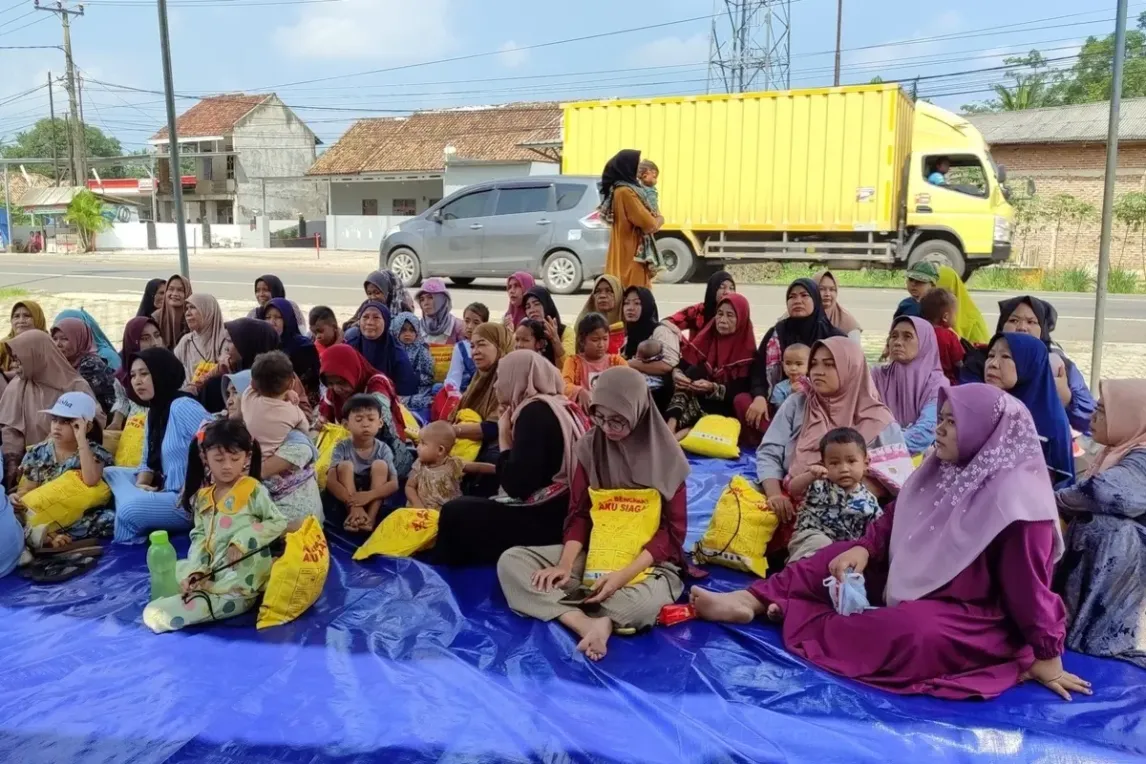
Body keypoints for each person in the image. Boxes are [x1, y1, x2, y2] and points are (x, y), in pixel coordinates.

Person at [694, 384, 1090, 702]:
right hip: (913, 574)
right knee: (835, 555)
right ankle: (753, 600)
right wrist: (864, 548)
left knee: (911, 632)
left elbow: (1029, 591)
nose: (940, 429)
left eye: (952, 422)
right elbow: (895, 519)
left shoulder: (1018, 506)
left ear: (985, 432)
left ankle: (799, 611)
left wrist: (1047, 657)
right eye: (943, 419)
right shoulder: (943, 467)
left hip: (972, 614)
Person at [497, 366, 689, 661]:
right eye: (600, 417)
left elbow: (672, 533)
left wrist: (621, 577)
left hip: (646, 564)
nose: (608, 428)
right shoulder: (590, 447)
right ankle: (586, 622)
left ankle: (596, 613)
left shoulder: (667, 458)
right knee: (512, 562)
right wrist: (564, 564)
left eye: (618, 421)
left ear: (638, 411)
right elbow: (581, 514)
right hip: (596, 553)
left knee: (637, 604)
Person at [430, 351, 589, 566]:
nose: (496, 385)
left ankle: (447, 572)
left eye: (500, 378)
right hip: (563, 511)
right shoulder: (558, 404)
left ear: (518, 378)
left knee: (454, 512)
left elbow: (517, 486)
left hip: (546, 521)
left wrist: (504, 436)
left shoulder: (533, 412)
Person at [757, 337, 911, 552]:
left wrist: (843, 493)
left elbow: (899, 479)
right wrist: (774, 494)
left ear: (851, 369)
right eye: (814, 364)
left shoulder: (878, 420)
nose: (818, 371)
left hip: (857, 518)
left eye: (829, 365)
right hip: (794, 506)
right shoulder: (798, 403)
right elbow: (769, 453)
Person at [142, 418, 288, 634]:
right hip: (211, 576)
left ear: (246, 458)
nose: (227, 466)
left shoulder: (253, 490)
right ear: (204, 458)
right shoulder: (202, 498)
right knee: (177, 569)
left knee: (155, 614)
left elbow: (278, 522)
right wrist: (197, 572)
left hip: (236, 589)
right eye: (219, 459)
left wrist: (243, 541)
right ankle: (194, 588)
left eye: (234, 458)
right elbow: (200, 538)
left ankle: (196, 599)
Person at [1054, 379, 1146, 669]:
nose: (1093, 418)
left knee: (1109, 528)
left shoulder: (1142, 458)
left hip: (1123, 561)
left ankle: (1095, 642)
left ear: (1129, 416)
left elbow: (1103, 493)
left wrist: (1049, 499)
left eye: (1103, 411)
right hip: (1097, 561)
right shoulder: (1115, 451)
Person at [105, 347, 208, 543]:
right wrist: (141, 485)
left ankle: (131, 524)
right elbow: (146, 462)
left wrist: (193, 484)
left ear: (162, 373)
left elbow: (216, 443)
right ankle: (138, 501)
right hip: (164, 488)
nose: (137, 381)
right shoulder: (154, 412)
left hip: (187, 500)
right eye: (133, 375)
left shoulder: (183, 406)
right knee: (111, 473)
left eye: (144, 374)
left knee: (128, 510)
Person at [11, 392, 113, 549]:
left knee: (109, 519)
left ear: (87, 426)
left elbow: (91, 480)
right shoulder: (37, 452)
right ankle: (43, 535)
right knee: (15, 516)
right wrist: (15, 499)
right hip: (42, 514)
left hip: (78, 516)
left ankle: (42, 537)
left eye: (66, 422)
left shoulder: (95, 452)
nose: (57, 426)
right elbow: (26, 492)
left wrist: (81, 440)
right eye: (54, 420)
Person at [0, 330, 99, 487]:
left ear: (37, 356)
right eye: (13, 360)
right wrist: (12, 463)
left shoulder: (75, 386)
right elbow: (9, 430)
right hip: (30, 467)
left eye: (19, 360)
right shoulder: (18, 385)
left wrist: (51, 444)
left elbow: (94, 424)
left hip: (71, 465)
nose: (14, 365)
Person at [747, 278, 846, 431]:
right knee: (742, 402)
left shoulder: (834, 337)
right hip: (778, 403)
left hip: (823, 404)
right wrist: (759, 396)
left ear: (815, 298)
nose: (797, 300)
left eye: (804, 295)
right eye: (792, 297)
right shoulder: (776, 333)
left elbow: (847, 379)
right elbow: (758, 372)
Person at [994, 295, 1096, 434]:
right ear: (1002, 325)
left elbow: (1091, 422)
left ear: (1043, 329)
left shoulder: (1059, 366)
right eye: (1013, 320)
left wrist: (1067, 399)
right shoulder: (984, 361)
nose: (1022, 328)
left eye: (1031, 322)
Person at [984, 332, 1075, 487]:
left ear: (1030, 364)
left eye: (1005, 357)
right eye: (991, 355)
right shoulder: (986, 406)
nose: (993, 363)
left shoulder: (1050, 423)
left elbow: (1046, 487)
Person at [785, 427, 882, 561]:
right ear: (823, 464)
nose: (844, 469)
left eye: (851, 461)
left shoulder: (869, 502)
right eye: (834, 463)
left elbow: (875, 533)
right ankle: (795, 576)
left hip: (843, 551)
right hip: (811, 536)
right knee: (819, 544)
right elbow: (793, 489)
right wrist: (810, 475)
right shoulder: (819, 483)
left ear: (865, 463)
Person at [317, 344, 413, 478]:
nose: (337, 388)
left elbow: (380, 419)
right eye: (331, 383)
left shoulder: (376, 383)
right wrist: (321, 424)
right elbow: (324, 416)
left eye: (342, 382)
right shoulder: (333, 392)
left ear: (353, 372)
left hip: (381, 442)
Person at [668, 293, 756, 437]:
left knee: (713, 405)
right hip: (697, 397)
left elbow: (742, 390)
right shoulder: (707, 338)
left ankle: (678, 436)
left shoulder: (748, 352)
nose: (722, 320)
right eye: (720, 314)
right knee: (689, 376)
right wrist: (677, 375)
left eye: (730, 315)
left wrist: (712, 388)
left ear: (741, 319)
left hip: (723, 406)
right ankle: (670, 428)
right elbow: (682, 365)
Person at [871, 317, 949, 456]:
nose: (898, 342)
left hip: (919, 461)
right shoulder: (876, 376)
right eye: (894, 336)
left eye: (907, 337)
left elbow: (927, 431)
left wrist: (880, 449)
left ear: (925, 342)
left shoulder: (937, 383)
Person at [327, 393, 399, 532]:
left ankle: (370, 518)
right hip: (348, 495)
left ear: (380, 423)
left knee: (380, 465)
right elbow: (331, 481)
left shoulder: (383, 449)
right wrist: (355, 504)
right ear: (346, 425)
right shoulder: (341, 446)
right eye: (359, 419)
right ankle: (354, 516)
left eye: (371, 419)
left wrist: (369, 496)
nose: (365, 424)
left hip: (372, 494)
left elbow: (394, 484)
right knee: (345, 466)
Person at [449, 322, 514, 469]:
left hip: (498, 447)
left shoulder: (508, 378)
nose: (475, 352)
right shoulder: (479, 379)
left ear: (500, 346)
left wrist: (451, 431)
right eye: (472, 346)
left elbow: (494, 428)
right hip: (472, 445)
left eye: (482, 344)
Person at [600, 149, 661, 289]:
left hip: (626, 252)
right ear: (628, 167)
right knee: (635, 298)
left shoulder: (620, 190)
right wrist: (660, 219)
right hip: (631, 255)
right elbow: (649, 223)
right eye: (636, 165)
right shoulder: (626, 192)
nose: (638, 170)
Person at [199, 318, 283, 415]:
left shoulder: (278, 377)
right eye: (226, 341)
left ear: (248, 344)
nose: (226, 347)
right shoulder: (233, 366)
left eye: (230, 341)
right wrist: (220, 371)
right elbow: (198, 385)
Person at [240, 351, 310, 462]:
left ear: (254, 384)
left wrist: (287, 393)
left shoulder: (247, 398)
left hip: (248, 462)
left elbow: (252, 386)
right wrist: (288, 393)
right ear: (292, 384)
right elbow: (305, 431)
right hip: (273, 467)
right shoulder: (293, 411)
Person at [406, 420, 491, 509]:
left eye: (423, 443)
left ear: (440, 450)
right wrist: (417, 504)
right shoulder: (419, 465)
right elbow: (409, 487)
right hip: (423, 513)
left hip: (447, 513)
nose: (418, 447)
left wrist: (498, 468)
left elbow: (477, 467)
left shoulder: (453, 464)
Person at [621, 286, 680, 413]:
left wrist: (631, 364)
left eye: (637, 303)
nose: (630, 308)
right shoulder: (626, 333)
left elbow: (668, 365)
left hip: (658, 395)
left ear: (647, 305)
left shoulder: (661, 331)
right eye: (626, 303)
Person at [343, 301, 417, 397]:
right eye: (365, 317)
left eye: (376, 317)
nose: (369, 322)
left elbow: (406, 391)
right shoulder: (350, 347)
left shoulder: (397, 354)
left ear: (386, 322)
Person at [51, 317, 118, 419]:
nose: (58, 344)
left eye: (64, 339)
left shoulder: (90, 366)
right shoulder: (63, 363)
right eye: (55, 339)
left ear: (79, 339)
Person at [261, 297, 321, 408]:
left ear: (287, 319)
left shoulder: (303, 346)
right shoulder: (262, 345)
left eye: (277, 317)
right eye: (267, 317)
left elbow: (310, 383)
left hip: (298, 402)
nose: (271, 322)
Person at [562, 312, 628, 409]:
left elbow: (631, 380)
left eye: (605, 339)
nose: (601, 344)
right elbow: (564, 385)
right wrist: (578, 391)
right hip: (583, 412)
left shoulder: (616, 361)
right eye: (595, 340)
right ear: (582, 341)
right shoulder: (573, 362)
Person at [109, 316, 164, 430]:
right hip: (136, 428)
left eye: (157, 335)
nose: (155, 343)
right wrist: (116, 423)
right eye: (145, 338)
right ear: (132, 342)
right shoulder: (123, 375)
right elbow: (122, 400)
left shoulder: (172, 370)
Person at [173, 293, 227, 389]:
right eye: (187, 308)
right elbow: (174, 372)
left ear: (208, 311)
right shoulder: (186, 342)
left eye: (193, 307)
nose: (187, 313)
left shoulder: (225, 340)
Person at [667, 271, 735, 341]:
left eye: (731, 288)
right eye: (722, 287)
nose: (727, 292)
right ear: (712, 289)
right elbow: (667, 323)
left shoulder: (738, 313)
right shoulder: (698, 312)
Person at [391, 311, 435, 414]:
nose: (408, 334)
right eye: (403, 330)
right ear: (396, 331)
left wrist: (416, 378)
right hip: (396, 388)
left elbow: (430, 375)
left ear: (417, 332)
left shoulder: (422, 350)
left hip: (418, 388)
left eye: (412, 330)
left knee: (422, 399)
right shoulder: (392, 349)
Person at [936, 265, 990, 345]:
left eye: (945, 292)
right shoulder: (928, 311)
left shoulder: (973, 321)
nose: (939, 299)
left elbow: (980, 350)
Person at [919, 288, 964, 385]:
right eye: (955, 314)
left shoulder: (919, 333)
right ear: (945, 317)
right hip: (947, 383)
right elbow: (958, 362)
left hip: (922, 382)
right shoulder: (949, 336)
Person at [53, 308, 120, 371]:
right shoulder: (59, 359)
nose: (57, 344)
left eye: (65, 338)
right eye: (54, 338)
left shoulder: (104, 359)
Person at [444, 302, 488, 394]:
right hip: (464, 394)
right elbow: (454, 377)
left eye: (476, 322)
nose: (470, 326)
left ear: (485, 325)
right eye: (467, 321)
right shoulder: (460, 348)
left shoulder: (489, 347)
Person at [575, 275, 626, 354]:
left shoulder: (629, 322)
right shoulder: (583, 324)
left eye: (609, 291)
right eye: (598, 291)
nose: (602, 296)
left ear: (618, 294)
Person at [524, 286, 574, 365]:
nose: (532, 310)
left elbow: (570, 365)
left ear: (546, 305)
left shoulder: (565, 332)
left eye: (537, 304)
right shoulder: (525, 331)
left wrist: (555, 340)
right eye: (528, 307)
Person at [0, 300, 46, 378]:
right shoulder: (4, 345)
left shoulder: (47, 343)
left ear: (38, 319)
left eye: (27, 316)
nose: (21, 321)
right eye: (16, 316)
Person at [634, 158, 665, 274]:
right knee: (648, 243)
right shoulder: (650, 191)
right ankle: (651, 261)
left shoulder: (635, 188)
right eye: (655, 176)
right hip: (649, 221)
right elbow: (653, 207)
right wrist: (657, 215)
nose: (656, 181)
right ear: (646, 174)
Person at [812, 270, 861, 339]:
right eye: (821, 289)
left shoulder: (848, 322)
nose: (827, 294)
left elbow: (855, 349)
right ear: (812, 290)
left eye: (832, 289)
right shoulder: (802, 315)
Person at [416, 278, 466, 344]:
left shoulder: (458, 327)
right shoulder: (416, 328)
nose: (425, 303)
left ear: (442, 299)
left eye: (430, 297)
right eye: (422, 299)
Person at [152, 274, 192, 349]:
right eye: (170, 289)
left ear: (187, 293)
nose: (174, 294)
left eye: (180, 290)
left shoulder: (193, 317)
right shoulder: (156, 317)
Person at [769, 343, 809, 409]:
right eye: (788, 363)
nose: (793, 368)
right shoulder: (779, 388)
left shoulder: (814, 384)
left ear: (809, 366)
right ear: (783, 365)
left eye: (799, 364)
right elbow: (779, 410)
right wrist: (792, 395)